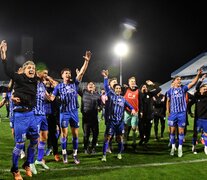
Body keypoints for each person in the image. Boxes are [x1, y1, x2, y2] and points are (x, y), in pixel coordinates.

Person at [1, 40, 39, 179]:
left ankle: (27, 164)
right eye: (29, 67)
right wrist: (4, 55)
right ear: (23, 70)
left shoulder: (35, 81)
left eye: (33, 68)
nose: (31, 69)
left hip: (31, 115)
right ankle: (15, 169)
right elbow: (8, 71)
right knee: (20, 144)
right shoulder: (19, 78)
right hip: (20, 116)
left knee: (35, 140)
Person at [49, 51, 91, 164]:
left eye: (69, 73)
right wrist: (49, 97)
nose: (68, 74)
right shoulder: (58, 86)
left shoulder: (74, 84)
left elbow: (81, 73)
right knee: (64, 135)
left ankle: (75, 154)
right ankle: (64, 153)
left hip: (74, 112)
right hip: (64, 113)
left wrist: (86, 61)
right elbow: (52, 97)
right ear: (62, 75)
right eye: (66, 73)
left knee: (76, 135)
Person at [101, 70, 136, 162]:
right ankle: (104, 155)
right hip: (111, 121)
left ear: (121, 90)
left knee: (120, 138)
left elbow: (130, 105)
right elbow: (105, 86)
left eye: (119, 89)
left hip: (120, 122)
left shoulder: (123, 99)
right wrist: (105, 78)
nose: (118, 90)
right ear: (114, 89)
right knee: (107, 138)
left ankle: (119, 154)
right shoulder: (111, 95)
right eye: (116, 88)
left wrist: (132, 109)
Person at [166, 69, 202, 157]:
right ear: (173, 82)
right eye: (177, 79)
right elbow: (168, 101)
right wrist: (168, 110)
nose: (179, 80)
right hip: (173, 113)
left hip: (182, 113)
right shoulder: (169, 91)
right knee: (172, 132)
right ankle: (173, 147)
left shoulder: (183, 88)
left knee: (181, 132)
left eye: (180, 79)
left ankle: (180, 149)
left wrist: (198, 75)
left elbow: (193, 83)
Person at [79, 82, 101, 154]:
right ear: (87, 87)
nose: (91, 86)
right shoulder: (83, 93)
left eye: (92, 85)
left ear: (95, 87)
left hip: (94, 117)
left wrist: (99, 108)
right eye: (89, 85)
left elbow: (100, 105)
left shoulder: (97, 95)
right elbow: (76, 87)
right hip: (86, 118)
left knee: (95, 134)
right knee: (86, 134)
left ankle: (93, 147)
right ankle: (86, 148)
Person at [138, 81, 161, 147]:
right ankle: (142, 138)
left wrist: (152, 84)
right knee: (141, 129)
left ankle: (146, 141)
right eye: (143, 87)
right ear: (140, 88)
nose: (144, 88)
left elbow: (159, 89)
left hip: (149, 115)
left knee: (148, 128)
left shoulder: (150, 94)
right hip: (141, 115)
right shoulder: (139, 95)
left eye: (145, 87)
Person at [123, 77, 140, 151]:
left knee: (134, 128)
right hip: (127, 112)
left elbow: (141, 101)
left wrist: (140, 111)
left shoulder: (138, 91)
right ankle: (125, 143)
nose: (133, 82)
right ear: (128, 83)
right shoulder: (125, 90)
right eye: (131, 81)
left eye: (134, 81)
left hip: (135, 113)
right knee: (126, 128)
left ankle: (134, 143)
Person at [192, 74, 207, 154]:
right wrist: (201, 80)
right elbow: (197, 88)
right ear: (201, 89)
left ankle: (206, 147)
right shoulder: (197, 96)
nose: (205, 90)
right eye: (204, 89)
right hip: (197, 119)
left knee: (206, 134)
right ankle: (194, 147)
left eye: (206, 89)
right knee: (195, 134)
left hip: (205, 119)